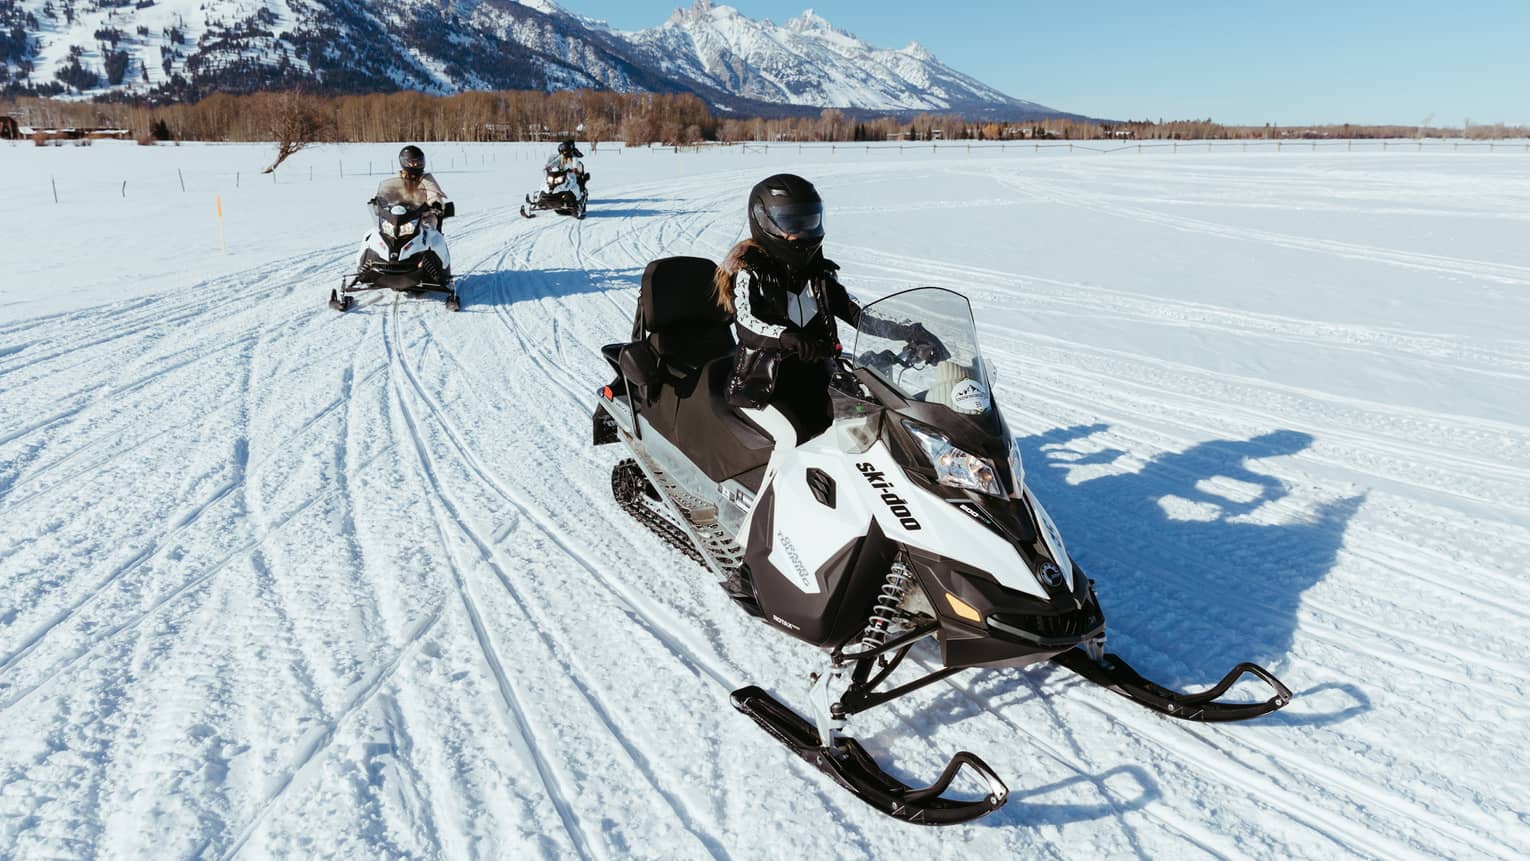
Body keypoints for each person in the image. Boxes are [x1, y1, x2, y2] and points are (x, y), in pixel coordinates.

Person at [711, 174, 862, 445]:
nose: (801, 233)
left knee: (860, 424)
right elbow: (747, 322)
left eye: (809, 221)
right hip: (763, 388)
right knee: (796, 439)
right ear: (764, 221)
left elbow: (856, 310)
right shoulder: (750, 272)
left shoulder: (818, 274)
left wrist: (907, 329)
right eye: (791, 223)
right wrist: (786, 337)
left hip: (818, 379)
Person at [373, 145, 450, 229]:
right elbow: (388, 190)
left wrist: (435, 203)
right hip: (399, 215)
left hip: (422, 216)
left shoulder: (426, 178)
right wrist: (378, 198)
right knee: (383, 229)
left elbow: (432, 192)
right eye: (413, 162)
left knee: (430, 226)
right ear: (404, 162)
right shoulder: (398, 178)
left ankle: (434, 236)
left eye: (419, 161)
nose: (416, 164)